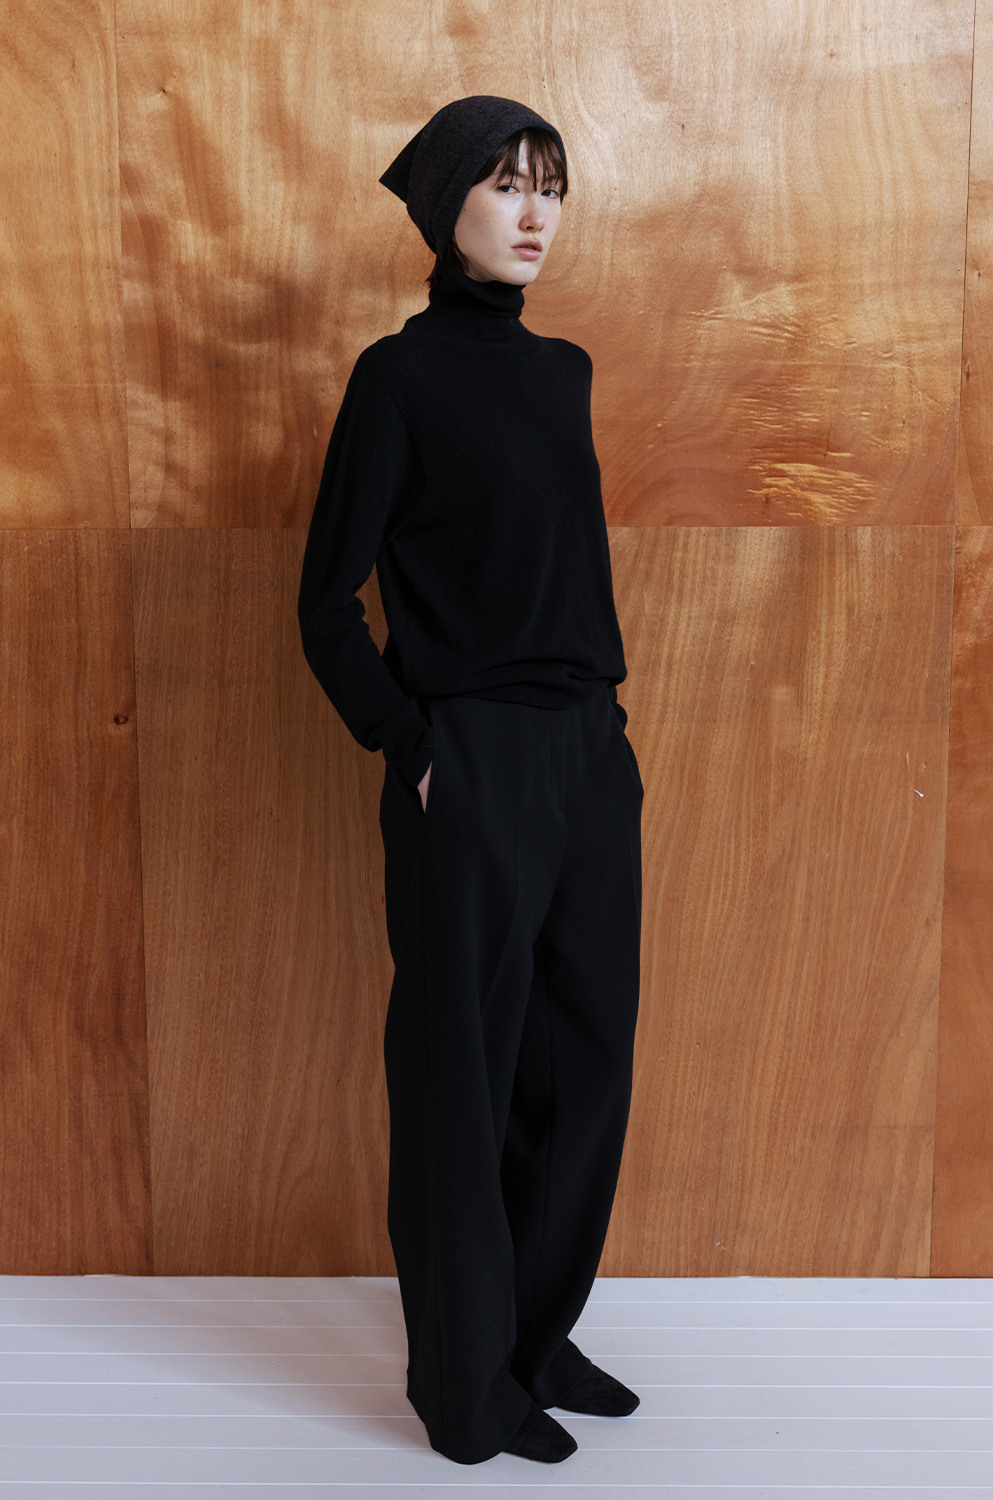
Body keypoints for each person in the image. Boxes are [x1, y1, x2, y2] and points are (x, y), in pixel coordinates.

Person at [298, 94, 644, 1467]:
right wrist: (412, 743)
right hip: (473, 758)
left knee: (584, 1062)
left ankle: (535, 1338)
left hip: (587, 751)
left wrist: (607, 739)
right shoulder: (398, 379)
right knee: (465, 1072)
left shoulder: (564, 372)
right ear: (447, 207)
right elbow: (327, 605)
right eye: (506, 184)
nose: (535, 211)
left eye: (550, 185)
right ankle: (463, 1387)